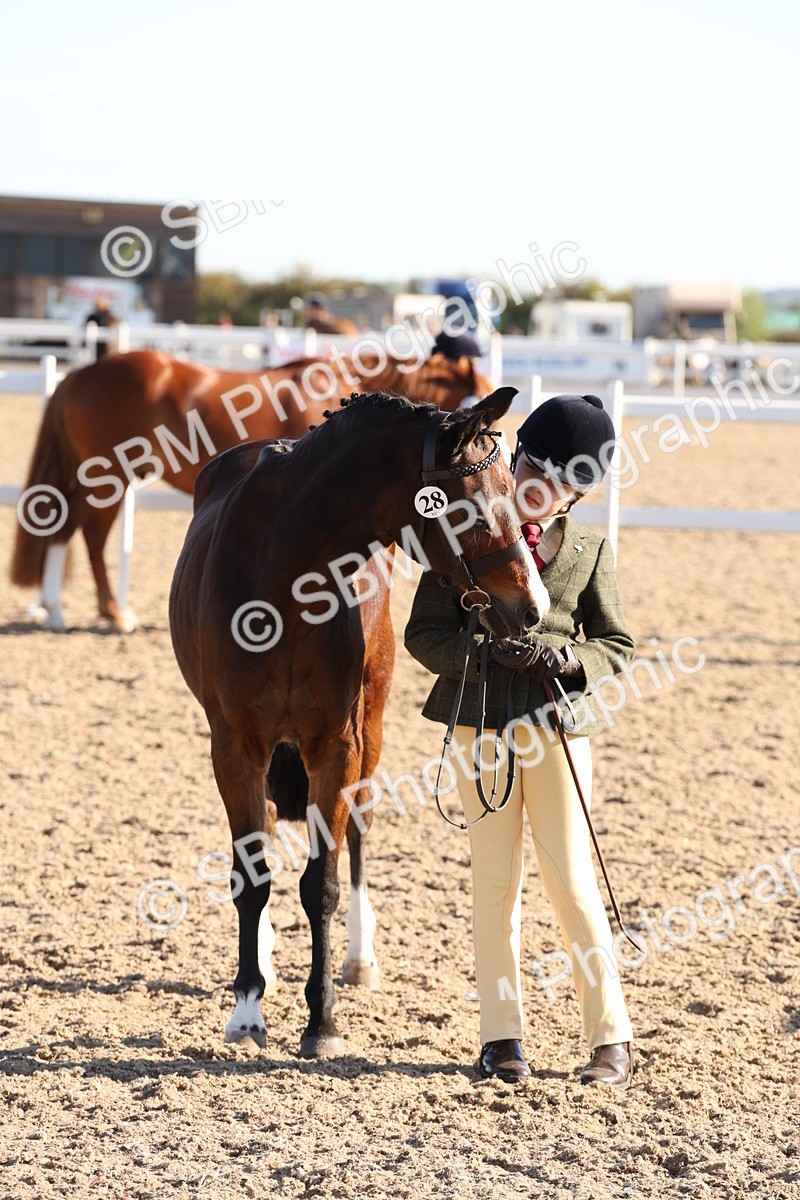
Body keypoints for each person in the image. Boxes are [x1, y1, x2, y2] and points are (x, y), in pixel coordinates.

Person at [404, 393, 636, 1090]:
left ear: (576, 494)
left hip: (556, 733)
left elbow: (617, 643)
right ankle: (501, 1040)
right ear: (516, 461)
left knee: (570, 883)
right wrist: (479, 656)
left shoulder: (591, 551)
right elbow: (423, 634)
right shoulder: (469, 536)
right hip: (480, 725)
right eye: (534, 469)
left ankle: (612, 1041)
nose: (541, 489)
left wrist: (568, 664)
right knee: (494, 885)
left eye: (560, 483)